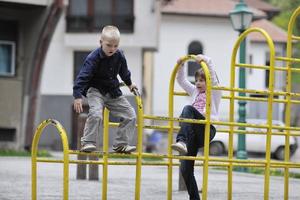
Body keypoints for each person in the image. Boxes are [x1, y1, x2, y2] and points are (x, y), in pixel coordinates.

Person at [73, 25, 137, 153]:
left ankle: (120, 144)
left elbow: (124, 72)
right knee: (96, 114)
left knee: (131, 115)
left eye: (115, 46)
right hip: (95, 91)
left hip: (113, 90)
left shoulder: (119, 55)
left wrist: (130, 84)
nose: (112, 49)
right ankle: (88, 142)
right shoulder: (93, 58)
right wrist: (77, 96)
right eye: (109, 45)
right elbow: (82, 77)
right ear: (101, 42)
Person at [171, 54, 222, 200]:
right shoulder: (194, 91)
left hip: (206, 128)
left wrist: (204, 59)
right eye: (197, 80)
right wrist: (181, 65)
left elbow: (211, 74)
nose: (199, 83)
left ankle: (181, 140)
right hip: (192, 132)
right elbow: (181, 80)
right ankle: (194, 198)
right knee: (185, 169)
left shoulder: (215, 92)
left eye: (202, 80)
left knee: (187, 109)